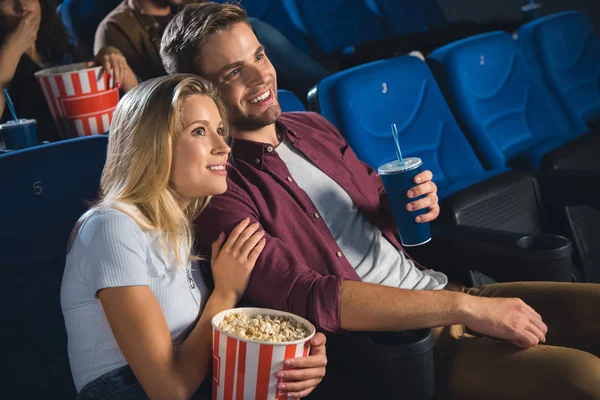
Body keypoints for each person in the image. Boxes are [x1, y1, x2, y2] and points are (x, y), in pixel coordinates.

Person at [159, 3, 600, 399]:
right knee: (584, 378)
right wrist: (470, 308)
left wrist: (411, 203)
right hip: (400, 349)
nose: (261, 76)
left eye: (259, 55)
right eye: (234, 72)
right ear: (202, 93)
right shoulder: (218, 188)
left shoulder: (313, 126)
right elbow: (309, 296)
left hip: (443, 290)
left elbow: (376, 206)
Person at [60, 74, 327, 400]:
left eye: (219, 130)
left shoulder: (183, 232)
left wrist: (294, 360)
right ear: (154, 144)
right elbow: (168, 390)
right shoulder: (111, 227)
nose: (223, 146)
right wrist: (226, 294)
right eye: (199, 131)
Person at [94, 0, 330, 100]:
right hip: (182, 96)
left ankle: (326, 86)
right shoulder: (113, 28)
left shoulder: (188, 3)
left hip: (229, 79)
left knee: (253, 28)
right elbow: (137, 96)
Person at [0, 0, 138, 143]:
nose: (22, 6)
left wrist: (113, 57)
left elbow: (137, 101)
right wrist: (12, 48)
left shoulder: (63, 50)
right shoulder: (6, 60)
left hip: (101, 146)